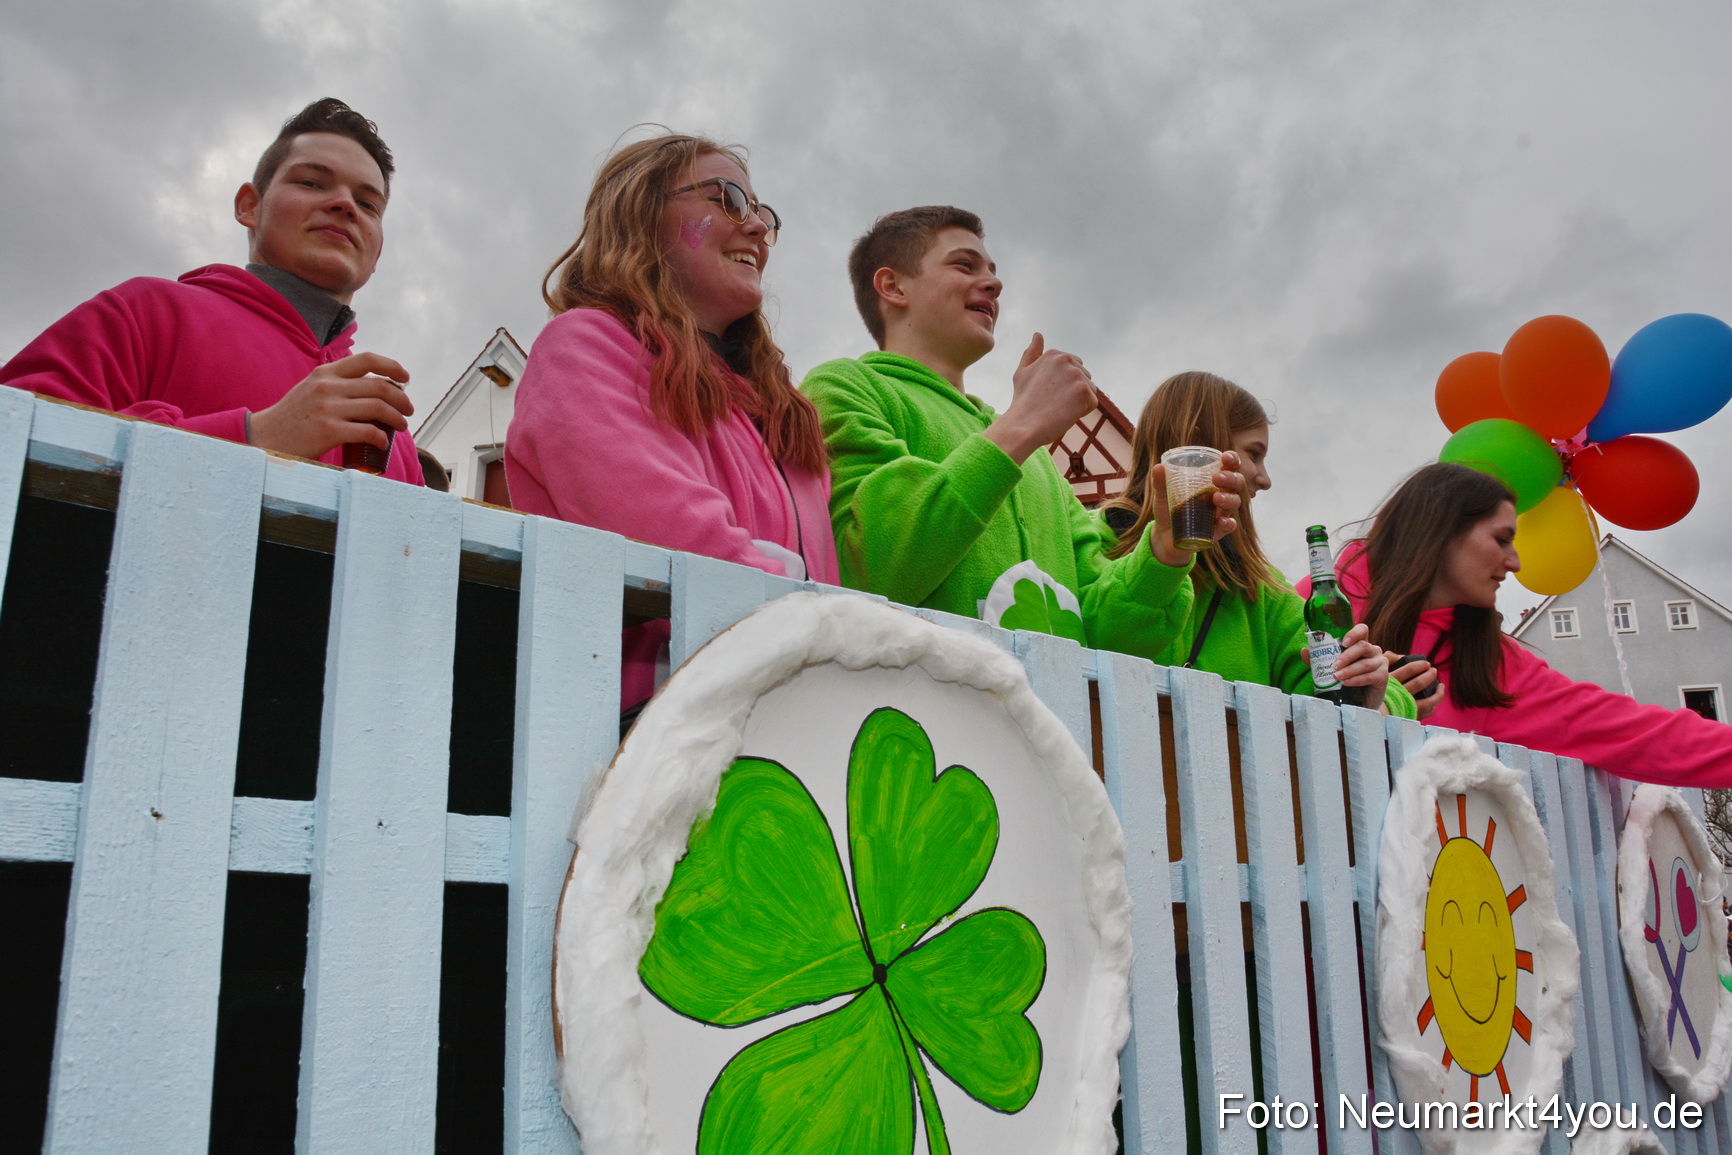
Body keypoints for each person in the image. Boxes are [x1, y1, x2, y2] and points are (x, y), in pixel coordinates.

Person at [801, 206, 1241, 657]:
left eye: (992, 270)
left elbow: (1109, 636)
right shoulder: (843, 386)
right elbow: (875, 569)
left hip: (1055, 724)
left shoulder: (1033, 459)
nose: (994, 283)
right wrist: (1023, 423)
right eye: (963, 265)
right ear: (893, 286)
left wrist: (1164, 553)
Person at [506, 132, 837, 712]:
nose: (756, 227)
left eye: (761, 211)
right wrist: (835, 630)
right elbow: (688, 548)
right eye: (727, 198)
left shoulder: (783, 410)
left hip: (795, 717)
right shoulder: (585, 347)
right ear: (640, 218)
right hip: (647, 727)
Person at [0, 98, 423, 484]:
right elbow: (13, 441)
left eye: (368, 205)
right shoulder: (145, 312)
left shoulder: (392, 430)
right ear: (249, 206)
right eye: (312, 182)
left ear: (377, 247)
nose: (345, 204)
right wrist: (252, 438)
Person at [1341, 462, 1732, 785]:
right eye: (1502, 539)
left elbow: (1636, 733)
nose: (1515, 562)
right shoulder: (1318, 605)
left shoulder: (1493, 666)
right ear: (1442, 532)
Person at [1099, 372, 1411, 715]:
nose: (1265, 479)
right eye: (1254, 453)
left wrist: (1369, 686)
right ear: (1199, 448)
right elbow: (1100, 636)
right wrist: (1161, 558)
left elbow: (1359, 692)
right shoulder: (1092, 540)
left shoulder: (1260, 589)